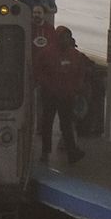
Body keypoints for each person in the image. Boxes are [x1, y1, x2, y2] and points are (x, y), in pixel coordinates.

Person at [35, 26, 87, 164]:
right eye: (63, 37)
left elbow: (80, 72)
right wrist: (47, 85)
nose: (65, 40)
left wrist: (76, 87)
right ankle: (46, 152)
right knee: (48, 123)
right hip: (50, 95)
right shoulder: (47, 53)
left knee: (66, 125)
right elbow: (38, 70)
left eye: (67, 37)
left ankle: (71, 152)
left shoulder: (75, 55)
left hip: (66, 95)